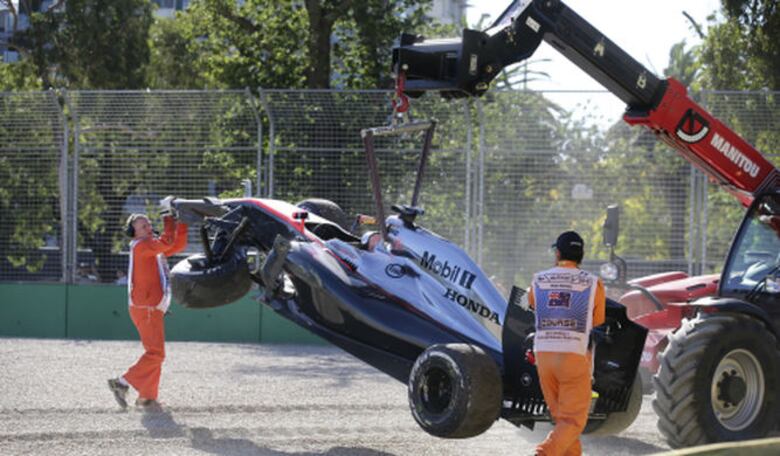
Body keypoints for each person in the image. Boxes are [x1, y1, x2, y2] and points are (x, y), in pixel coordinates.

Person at [527, 231, 605, 456]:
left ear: (558, 253)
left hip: (543, 356)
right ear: (581, 255)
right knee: (572, 422)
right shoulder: (593, 283)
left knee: (563, 421)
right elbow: (597, 321)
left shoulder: (538, 279)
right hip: (574, 356)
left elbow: (531, 304)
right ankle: (543, 453)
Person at [107, 208, 188, 409]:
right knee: (156, 354)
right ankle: (122, 383)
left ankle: (147, 397)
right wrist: (168, 217)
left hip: (149, 307)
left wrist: (183, 222)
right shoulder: (143, 246)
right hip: (147, 308)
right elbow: (168, 242)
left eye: (149, 224)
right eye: (144, 226)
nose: (149, 227)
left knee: (154, 353)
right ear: (134, 232)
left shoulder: (148, 247)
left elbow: (177, 244)